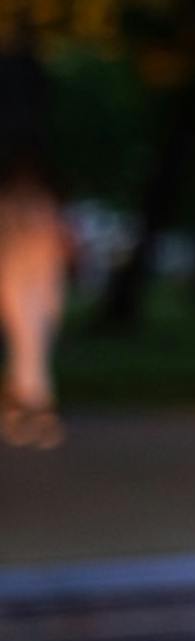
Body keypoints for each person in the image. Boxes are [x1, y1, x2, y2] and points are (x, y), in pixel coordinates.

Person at [0, 164, 67, 450]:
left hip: (40, 285)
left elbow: (55, 252)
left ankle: (24, 410)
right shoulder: (9, 209)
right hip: (17, 282)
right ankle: (33, 409)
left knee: (33, 349)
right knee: (26, 349)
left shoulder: (44, 209)